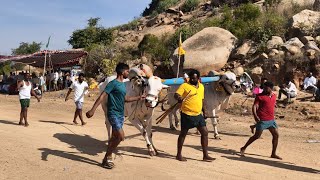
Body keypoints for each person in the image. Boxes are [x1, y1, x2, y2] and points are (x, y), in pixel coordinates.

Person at [86, 63, 145, 169]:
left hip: (120, 115)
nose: (128, 73)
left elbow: (125, 99)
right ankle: (108, 155)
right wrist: (92, 110)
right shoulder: (113, 83)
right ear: (122, 72)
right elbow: (102, 96)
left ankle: (105, 160)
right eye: (127, 71)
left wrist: (139, 97)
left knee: (114, 138)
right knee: (121, 136)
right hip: (112, 113)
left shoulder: (123, 84)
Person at [174, 69, 214, 162]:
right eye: (191, 78)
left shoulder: (201, 87)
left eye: (194, 78)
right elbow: (176, 94)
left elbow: (202, 100)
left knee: (205, 133)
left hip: (198, 114)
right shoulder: (184, 85)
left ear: (198, 78)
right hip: (187, 114)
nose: (192, 80)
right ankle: (178, 154)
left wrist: (205, 112)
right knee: (183, 134)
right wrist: (179, 98)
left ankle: (205, 155)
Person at [240, 81, 282, 160]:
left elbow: (273, 103)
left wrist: (274, 106)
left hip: (271, 120)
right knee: (257, 136)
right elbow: (254, 106)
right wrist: (255, 116)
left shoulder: (274, 96)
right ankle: (243, 148)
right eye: (264, 88)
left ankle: (273, 153)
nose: (264, 89)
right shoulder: (259, 96)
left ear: (271, 88)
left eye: (266, 88)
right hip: (262, 119)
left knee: (276, 135)